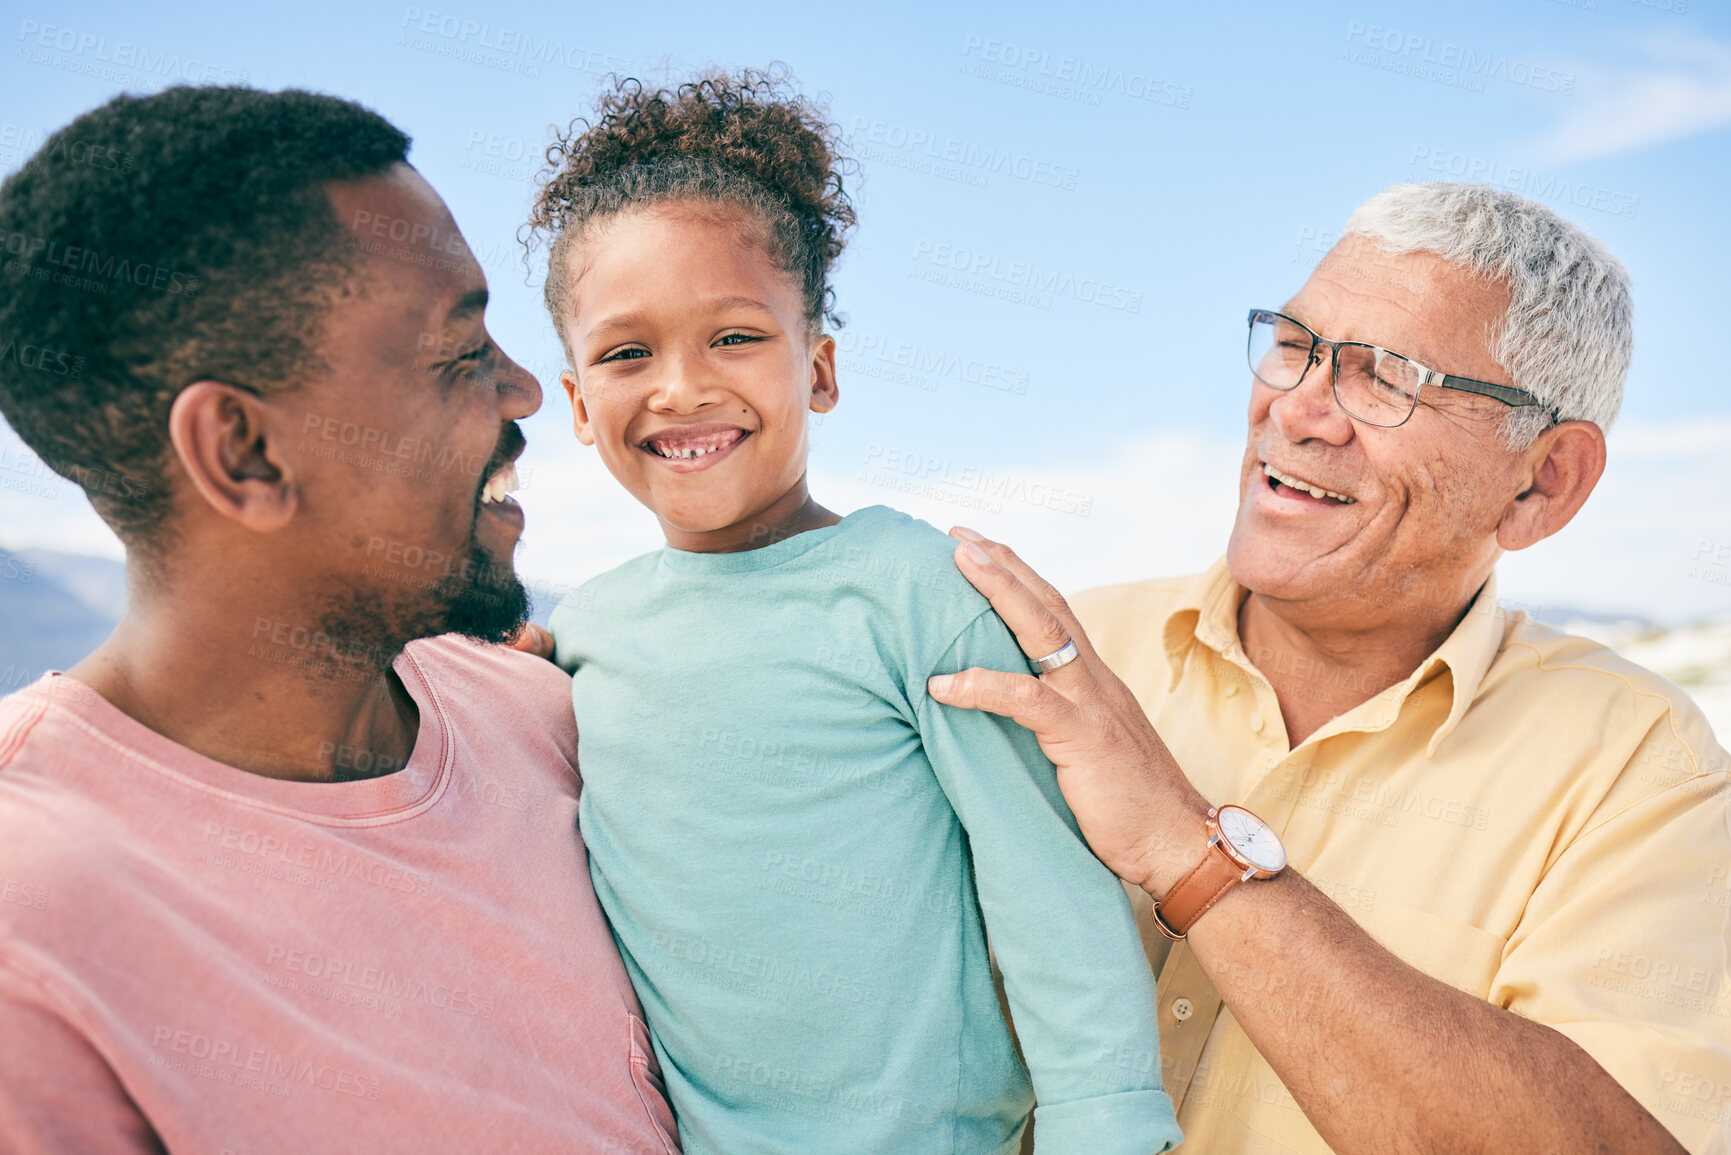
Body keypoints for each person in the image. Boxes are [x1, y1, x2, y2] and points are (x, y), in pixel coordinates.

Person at [925, 182, 1731, 1153]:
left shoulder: (1640, 764)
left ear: (1543, 481)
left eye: (1387, 378)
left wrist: (1190, 850)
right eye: (1297, 346)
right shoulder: (1047, 660)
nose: (1299, 410)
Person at [0, 86, 677, 1152]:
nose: (523, 391)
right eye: (460, 355)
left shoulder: (553, 715)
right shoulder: (29, 928)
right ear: (244, 453)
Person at [526, 70, 1180, 1155]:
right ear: (580, 407)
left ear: (818, 368)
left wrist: (1103, 1129)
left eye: (734, 337)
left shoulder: (917, 590)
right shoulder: (586, 637)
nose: (680, 388)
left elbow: (1049, 896)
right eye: (626, 353)